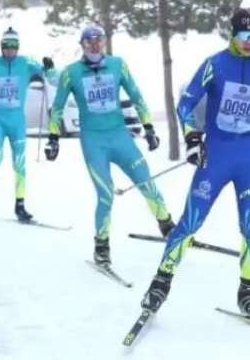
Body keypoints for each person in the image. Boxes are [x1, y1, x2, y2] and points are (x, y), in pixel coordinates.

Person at [138, 8, 250, 319]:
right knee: (191, 221)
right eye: (244, 35)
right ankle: (160, 282)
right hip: (216, 157)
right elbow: (185, 103)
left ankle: (248, 291)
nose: (249, 42)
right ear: (232, 35)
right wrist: (192, 137)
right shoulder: (215, 65)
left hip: (249, 160)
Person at [44, 24, 174, 266]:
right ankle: (101, 245)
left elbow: (136, 95)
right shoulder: (71, 72)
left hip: (120, 137)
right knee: (105, 195)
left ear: (104, 43)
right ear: (82, 45)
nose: (95, 46)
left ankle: (167, 225)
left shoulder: (117, 65)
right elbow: (58, 107)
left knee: (146, 182)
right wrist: (53, 138)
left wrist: (148, 127)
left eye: (99, 41)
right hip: (94, 143)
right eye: (89, 42)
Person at [0, 27, 56, 222]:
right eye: (6, 46)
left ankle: (20, 205)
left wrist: (49, 67)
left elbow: (51, 77)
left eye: (13, 46)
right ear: (1, 46)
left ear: (18, 46)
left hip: (17, 121)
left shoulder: (26, 62)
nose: (10, 50)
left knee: (20, 163)